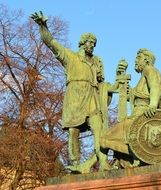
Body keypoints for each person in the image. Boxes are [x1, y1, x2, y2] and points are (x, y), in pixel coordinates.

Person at [31, 11, 115, 173]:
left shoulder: (96, 63)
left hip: (92, 99)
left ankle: (103, 162)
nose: (92, 45)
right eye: (90, 42)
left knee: (98, 129)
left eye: (94, 43)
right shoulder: (70, 57)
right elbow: (50, 42)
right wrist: (43, 25)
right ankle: (75, 164)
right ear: (83, 43)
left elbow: (102, 85)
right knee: (73, 131)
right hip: (75, 99)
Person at [100, 48, 161, 166]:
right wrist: (123, 83)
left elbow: (155, 87)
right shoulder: (142, 78)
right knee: (107, 139)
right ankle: (137, 156)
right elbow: (134, 97)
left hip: (142, 116)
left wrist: (152, 105)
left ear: (146, 60)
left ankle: (138, 155)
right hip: (138, 115)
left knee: (105, 139)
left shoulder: (149, 69)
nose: (136, 61)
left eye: (138, 58)